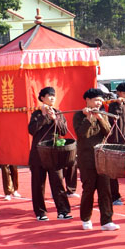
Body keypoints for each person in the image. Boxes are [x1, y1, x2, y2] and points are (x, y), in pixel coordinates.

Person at [73, 88, 119, 231]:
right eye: (95, 100)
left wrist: (99, 118)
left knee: (105, 189)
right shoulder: (79, 115)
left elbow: (108, 132)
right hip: (87, 158)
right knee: (89, 189)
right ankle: (86, 218)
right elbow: (82, 135)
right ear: (87, 100)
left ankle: (107, 221)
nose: (99, 102)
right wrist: (88, 118)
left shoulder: (103, 114)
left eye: (100, 100)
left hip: (102, 157)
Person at [28, 86, 72, 221]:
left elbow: (64, 131)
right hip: (38, 153)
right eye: (49, 96)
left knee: (58, 182)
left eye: (54, 96)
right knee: (38, 184)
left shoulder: (58, 112)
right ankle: (40, 213)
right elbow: (31, 130)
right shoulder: (36, 113)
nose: (52, 98)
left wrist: (55, 119)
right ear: (42, 98)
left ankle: (63, 211)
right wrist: (43, 116)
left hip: (54, 153)